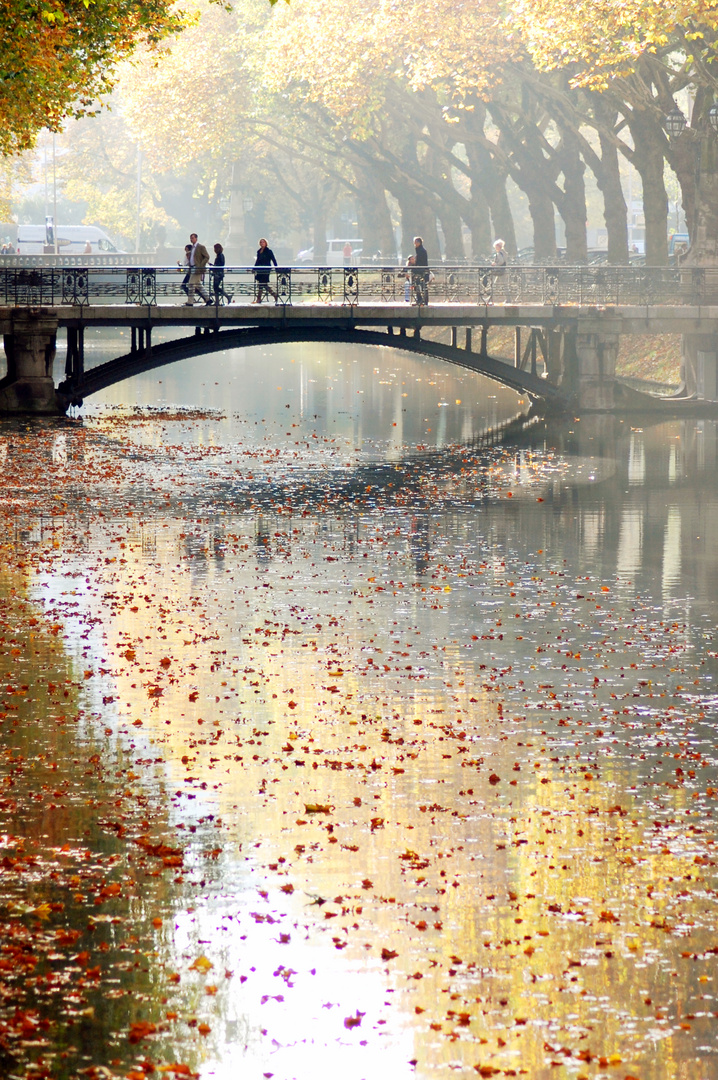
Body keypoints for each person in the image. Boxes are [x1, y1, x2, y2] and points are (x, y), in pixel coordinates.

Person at [184, 232, 211, 306]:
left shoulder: (201, 247)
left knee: (191, 284)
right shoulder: (192, 248)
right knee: (198, 285)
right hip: (193, 268)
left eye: (192, 238)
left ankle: (190, 302)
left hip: (197, 268)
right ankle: (208, 299)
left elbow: (207, 256)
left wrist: (201, 265)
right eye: (190, 238)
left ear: (196, 238)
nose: (191, 239)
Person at [253, 238, 277, 303]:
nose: (262, 243)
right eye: (261, 242)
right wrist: (254, 268)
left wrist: (276, 267)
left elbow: (273, 259)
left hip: (266, 270)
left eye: (263, 242)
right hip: (260, 270)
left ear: (266, 243)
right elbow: (257, 261)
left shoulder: (269, 251)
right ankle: (274, 295)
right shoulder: (259, 251)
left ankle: (259, 298)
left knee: (262, 283)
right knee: (263, 284)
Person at [412, 236, 429, 305]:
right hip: (422, 270)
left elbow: (420, 261)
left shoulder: (421, 250)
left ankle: (421, 300)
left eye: (415, 242)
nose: (414, 244)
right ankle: (422, 300)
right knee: (422, 286)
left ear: (419, 243)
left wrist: (415, 267)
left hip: (421, 271)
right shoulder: (420, 250)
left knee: (419, 285)